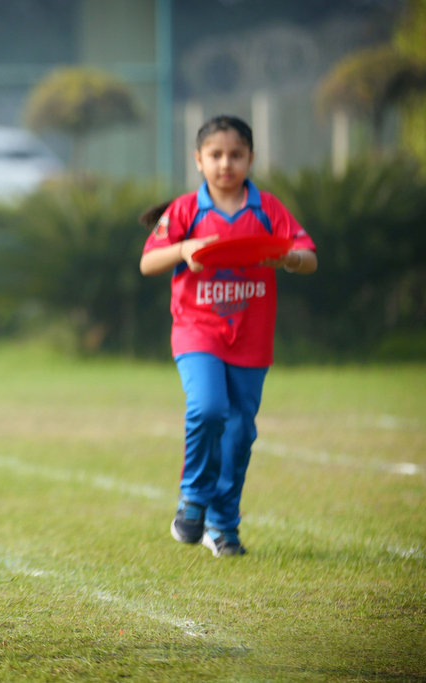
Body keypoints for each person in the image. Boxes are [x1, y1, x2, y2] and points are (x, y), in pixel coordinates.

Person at [139, 115, 316, 558]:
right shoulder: (184, 210)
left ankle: (223, 526)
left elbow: (309, 256)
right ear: (198, 160)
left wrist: (288, 260)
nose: (226, 164)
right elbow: (149, 263)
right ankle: (193, 499)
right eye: (216, 155)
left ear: (251, 159)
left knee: (239, 434)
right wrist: (183, 250)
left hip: (252, 337)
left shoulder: (268, 209)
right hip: (197, 330)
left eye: (236, 155)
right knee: (208, 408)